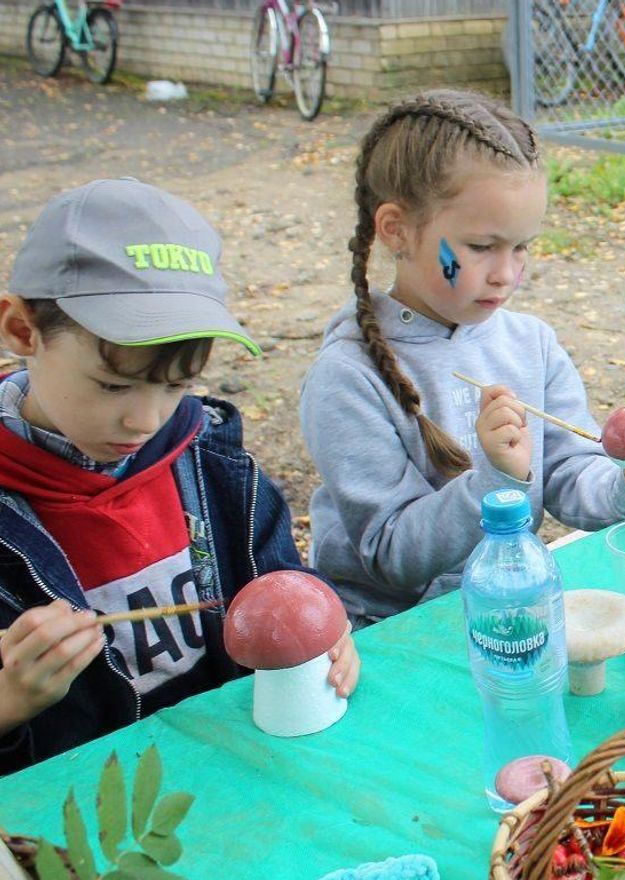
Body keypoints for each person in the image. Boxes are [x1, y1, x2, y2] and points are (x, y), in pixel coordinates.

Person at [0, 178, 359, 773]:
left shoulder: (211, 463)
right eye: (112, 384)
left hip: (238, 769)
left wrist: (321, 630)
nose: (144, 419)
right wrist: (10, 703)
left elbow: (282, 583)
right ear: (21, 331)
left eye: (175, 386)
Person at [302, 90, 625, 625]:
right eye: (482, 246)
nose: (506, 273)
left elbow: (569, 473)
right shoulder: (348, 378)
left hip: (507, 607)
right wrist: (495, 483)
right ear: (397, 230)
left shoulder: (530, 344)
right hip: (390, 633)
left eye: (522, 246)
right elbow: (390, 553)